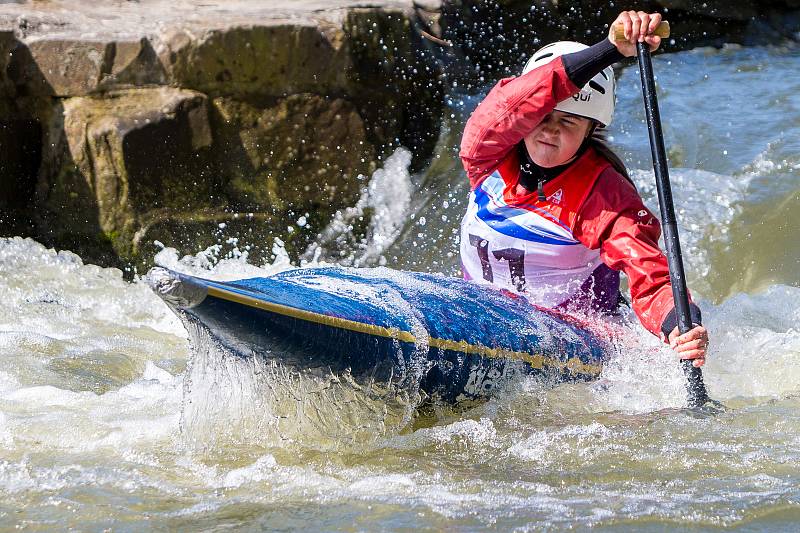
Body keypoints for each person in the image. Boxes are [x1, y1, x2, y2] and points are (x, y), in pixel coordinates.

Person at [458, 10, 709, 367]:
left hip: (578, 341)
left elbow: (650, 278)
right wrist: (609, 49)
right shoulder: (487, 154)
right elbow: (507, 107)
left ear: (591, 129)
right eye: (542, 117)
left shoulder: (602, 196)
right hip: (475, 317)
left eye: (568, 121)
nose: (550, 131)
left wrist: (680, 326)